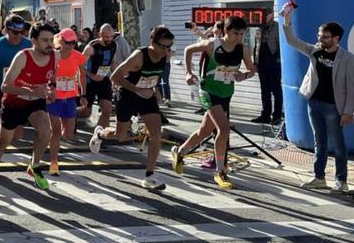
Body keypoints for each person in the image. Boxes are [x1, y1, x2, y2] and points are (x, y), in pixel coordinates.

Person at [171, 16, 255, 190]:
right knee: (224, 129)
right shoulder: (212, 44)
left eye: (242, 34)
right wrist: (188, 73)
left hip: (226, 92)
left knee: (204, 131)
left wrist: (244, 75)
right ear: (226, 31)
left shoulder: (243, 49)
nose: (239, 37)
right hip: (208, 91)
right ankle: (220, 171)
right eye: (235, 33)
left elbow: (252, 70)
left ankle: (180, 152)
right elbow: (188, 50)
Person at [89, 26, 176, 191]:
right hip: (128, 95)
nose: (165, 50)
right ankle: (100, 133)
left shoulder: (165, 56)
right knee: (120, 136)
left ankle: (150, 175)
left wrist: (155, 90)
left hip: (147, 98)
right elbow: (115, 76)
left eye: (168, 47)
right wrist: (137, 89)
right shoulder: (139, 56)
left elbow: (154, 74)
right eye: (162, 46)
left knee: (156, 134)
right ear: (152, 42)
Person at [281, 4, 354, 193]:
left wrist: (348, 111)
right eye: (319, 35)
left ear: (336, 38)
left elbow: (351, 87)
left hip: (334, 107)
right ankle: (319, 177)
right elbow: (292, 41)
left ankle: (341, 181)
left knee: (338, 144)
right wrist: (287, 19)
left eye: (324, 36)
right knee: (318, 141)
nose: (320, 39)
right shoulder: (315, 50)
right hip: (314, 102)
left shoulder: (348, 59)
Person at [0, 22, 56, 195]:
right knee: (4, 141)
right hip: (14, 102)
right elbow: (5, 86)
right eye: (45, 40)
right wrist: (29, 90)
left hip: (35, 101)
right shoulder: (22, 57)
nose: (49, 44)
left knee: (46, 131)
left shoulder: (54, 56)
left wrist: (52, 89)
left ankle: (34, 165)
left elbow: (53, 75)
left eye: (51, 40)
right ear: (34, 41)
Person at [0, 15, 32, 143]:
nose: (19, 35)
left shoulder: (28, 44)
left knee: (17, 132)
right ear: (7, 30)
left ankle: (3, 144)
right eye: (15, 32)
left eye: (21, 32)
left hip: (17, 90)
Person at [48, 28, 87, 176]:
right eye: (69, 42)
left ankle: (51, 142)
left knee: (68, 134)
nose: (71, 45)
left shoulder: (78, 56)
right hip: (53, 97)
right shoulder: (53, 56)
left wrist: (83, 95)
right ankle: (54, 162)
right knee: (56, 131)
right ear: (62, 41)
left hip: (70, 97)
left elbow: (82, 76)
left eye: (74, 42)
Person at [81, 24, 122, 129]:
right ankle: (68, 117)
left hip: (103, 80)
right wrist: (92, 76)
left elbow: (112, 62)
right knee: (86, 112)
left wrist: (115, 77)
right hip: (90, 81)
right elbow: (79, 67)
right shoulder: (91, 47)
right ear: (100, 34)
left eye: (111, 37)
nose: (109, 39)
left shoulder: (114, 45)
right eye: (106, 37)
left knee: (107, 109)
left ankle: (100, 135)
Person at [253, 11, 283, 124]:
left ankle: (277, 116)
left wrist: (277, 59)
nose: (263, 17)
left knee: (276, 89)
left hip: (273, 61)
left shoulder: (277, 26)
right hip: (261, 60)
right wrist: (255, 62)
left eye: (266, 15)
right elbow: (256, 46)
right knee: (264, 90)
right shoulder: (259, 28)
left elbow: (282, 44)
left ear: (271, 15)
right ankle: (265, 115)